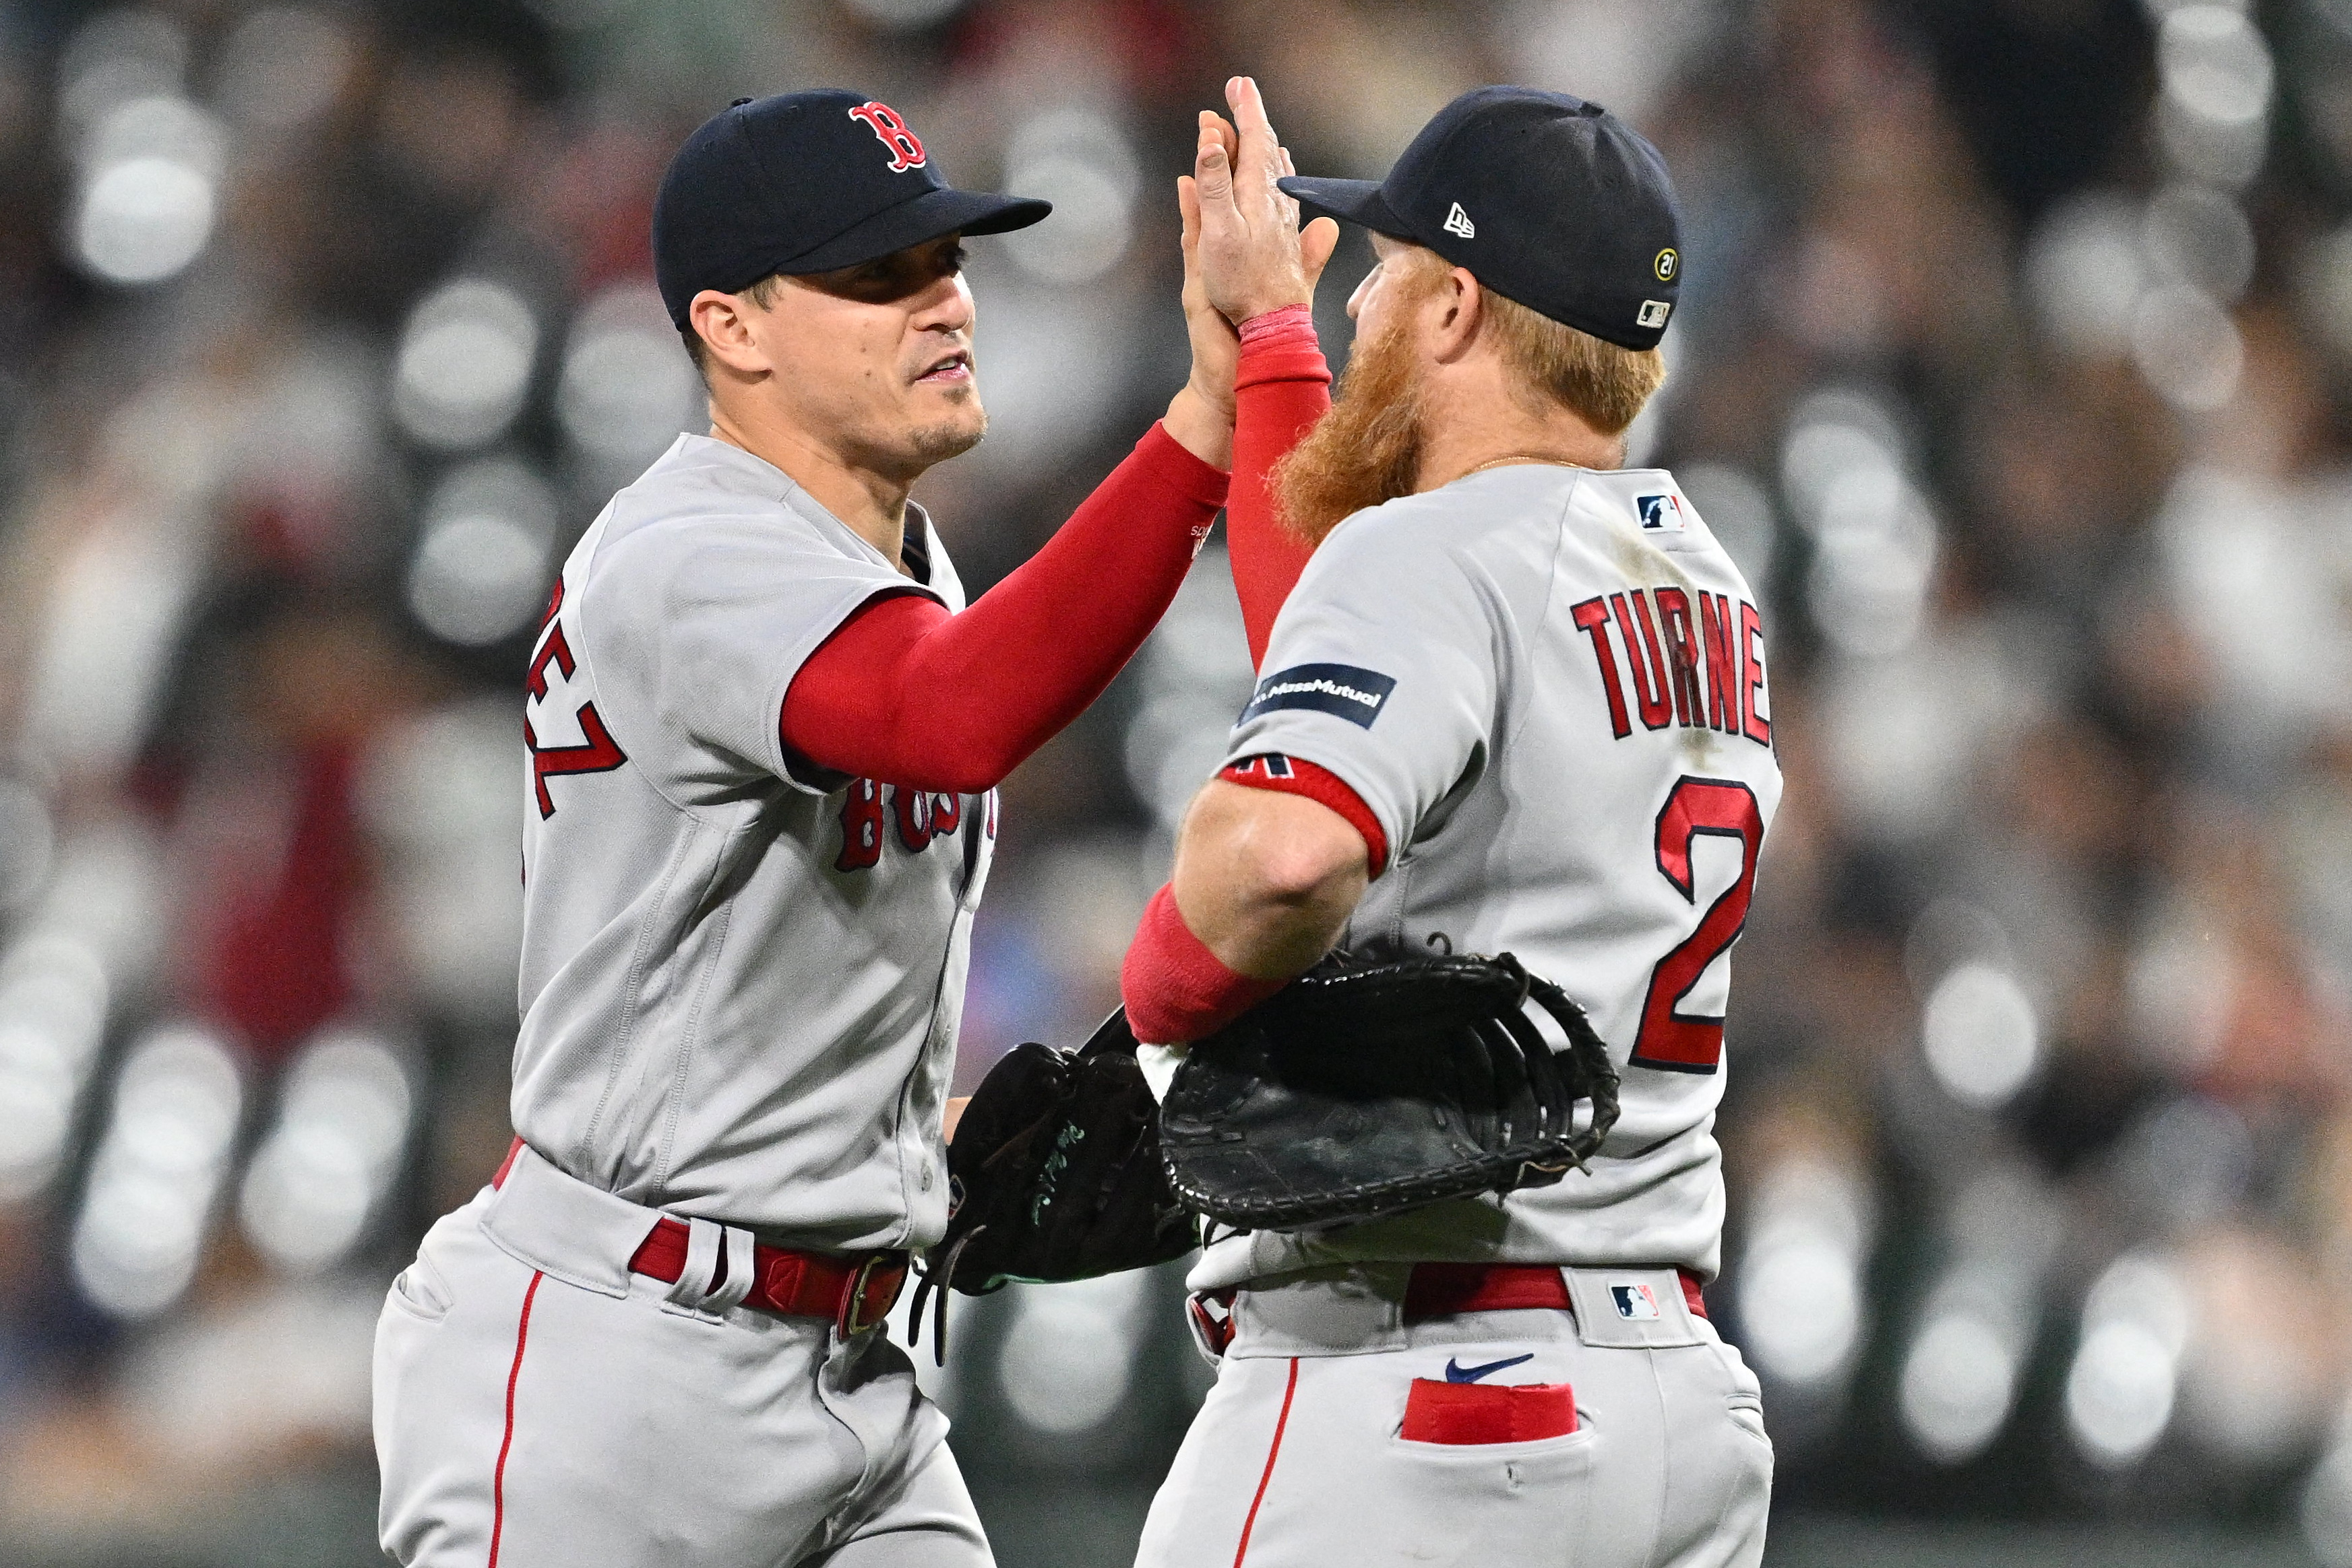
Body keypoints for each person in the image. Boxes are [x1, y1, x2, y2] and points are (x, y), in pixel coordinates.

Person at [370, 88, 1314, 1567]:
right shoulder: (688, 551)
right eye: (876, 277)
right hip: (615, 1376)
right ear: (731, 329)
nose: (943, 304)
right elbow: (956, 715)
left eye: (946, 262)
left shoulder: (886, 564)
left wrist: (918, 1153)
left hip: (857, 1370)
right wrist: (1201, 426)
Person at [1119, 80, 1782, 1567]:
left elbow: (1282, 860)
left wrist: (1159, 1006)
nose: (1357, 310)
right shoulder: (1704, 587)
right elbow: (1360, 632)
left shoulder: (1434, 556)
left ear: (1455, 310)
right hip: (1667, 1400)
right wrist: (1271, 349)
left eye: (1379, 274)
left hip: (1418, 1387)